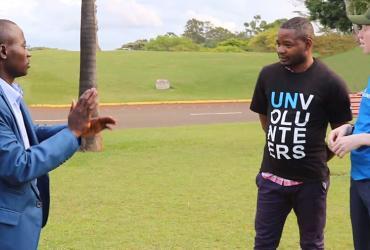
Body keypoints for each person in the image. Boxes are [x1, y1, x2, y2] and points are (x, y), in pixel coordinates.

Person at [0, 19, 116, 250]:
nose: (28, 54)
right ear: (3, 51)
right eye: (24, 46)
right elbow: (18, 166)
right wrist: (72, 131)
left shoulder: (10, 94)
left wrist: (78, 130)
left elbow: (29, 135)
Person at [250, 17, 353, 249]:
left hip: (310, 183)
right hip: (270, 178)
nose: (280, 50)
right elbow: (264, 117)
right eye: (277, 44)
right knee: (264, 243)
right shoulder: (268, 75)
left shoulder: (330, 82)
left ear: (307, 43)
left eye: (287, 44)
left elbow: (341, 133)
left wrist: (314, 156)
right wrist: (281, 142)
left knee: (311, 244)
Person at [328, 8, 370, 250]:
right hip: (361, 177)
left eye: (365, 28)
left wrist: (361, 138)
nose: (359, 35)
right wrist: (350, 128)